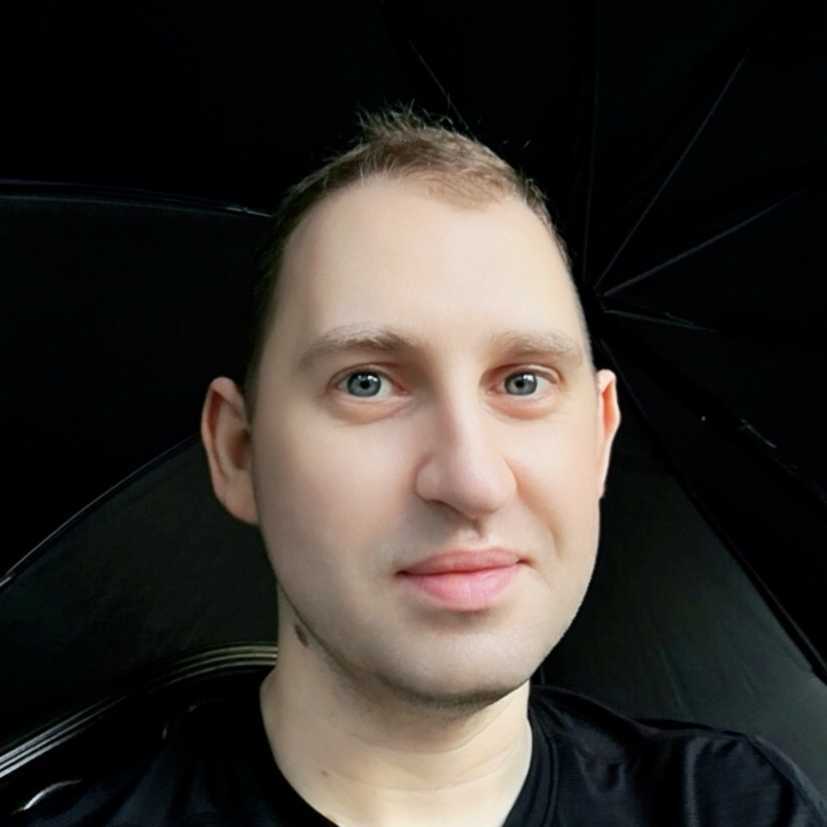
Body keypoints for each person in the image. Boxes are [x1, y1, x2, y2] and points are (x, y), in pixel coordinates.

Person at [13, 108, 827, 826]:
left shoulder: (732, 804)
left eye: (522, 381)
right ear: (238, 453)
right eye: (367, 382)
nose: (472, 480)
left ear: (600, 438)